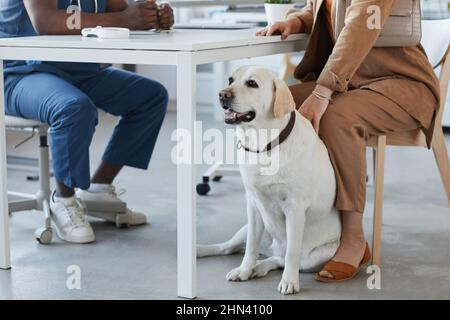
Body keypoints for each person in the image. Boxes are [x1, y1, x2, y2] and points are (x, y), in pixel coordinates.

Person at [257, 0, 440, 281]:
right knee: (279, 105)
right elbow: (320, 9)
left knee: (336, 117)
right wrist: (297, 21)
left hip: (401, 83)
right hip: (352, 82)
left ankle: (354, 239)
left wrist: (322, 92)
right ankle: (286, 225)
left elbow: (358, 25)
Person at [1, 0, 175, 243]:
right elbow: (45, 21)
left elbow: (122, 11)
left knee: (150, 97)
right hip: (23, 74)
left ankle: (98, 189)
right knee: (73, 107)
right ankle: (63, 199)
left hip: (81, 71)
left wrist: (152, 17)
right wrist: (125, 20)